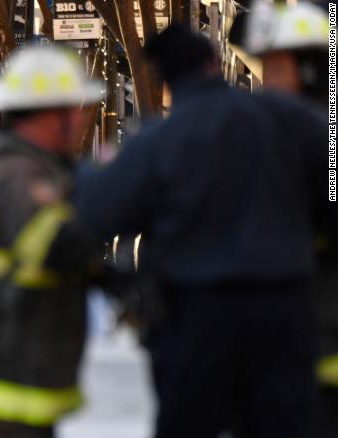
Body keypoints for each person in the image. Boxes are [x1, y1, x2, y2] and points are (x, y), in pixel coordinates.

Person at [74, 24, 330, 438]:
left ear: (165, 76)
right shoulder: (285, 117)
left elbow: (98, 212)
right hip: (283, 307)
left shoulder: (157, 140)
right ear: (213, 63)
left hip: (197, 315)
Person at [0, 46, 102, 438]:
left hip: (15, 361)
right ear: (52, 114)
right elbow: (56, 247)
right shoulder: (20, 176)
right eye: (75, 108)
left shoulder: (8, 165)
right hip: (12, 364)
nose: (82, 118)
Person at [243, 2, 337, 436]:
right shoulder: (273, 131)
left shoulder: (313, 136)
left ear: (313, 67)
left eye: (278, 68)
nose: (269, 82)